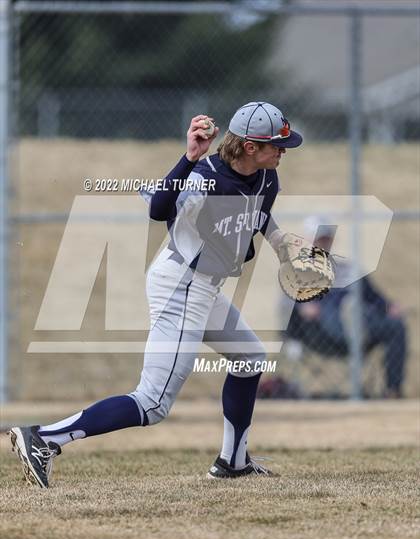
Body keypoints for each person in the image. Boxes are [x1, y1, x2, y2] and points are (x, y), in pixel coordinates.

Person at [9, 102, 304, 488]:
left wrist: (285, 249)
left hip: (205, 286)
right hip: (181, 286)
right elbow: (159, 208)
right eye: (275, 146)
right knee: (152, 402)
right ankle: (44, 438)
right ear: (249, 147)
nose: (283, 151)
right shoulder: (206, 176)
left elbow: (259, 219)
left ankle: (233, 461)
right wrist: (188, 158)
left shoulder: (267, 179)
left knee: (249, 358)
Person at [284, 223, 407, 398]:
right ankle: (354, 323)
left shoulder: (349, 269)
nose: (322, 243)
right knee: (337, 309)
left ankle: (393, 390)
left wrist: (390, 307)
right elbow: (288, 308)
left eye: (326, 239)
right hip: (323, 331)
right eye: (318, 239)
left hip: (364, 321)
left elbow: (376, 298)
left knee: (395, 326)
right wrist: (301, 308)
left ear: (332, 241)